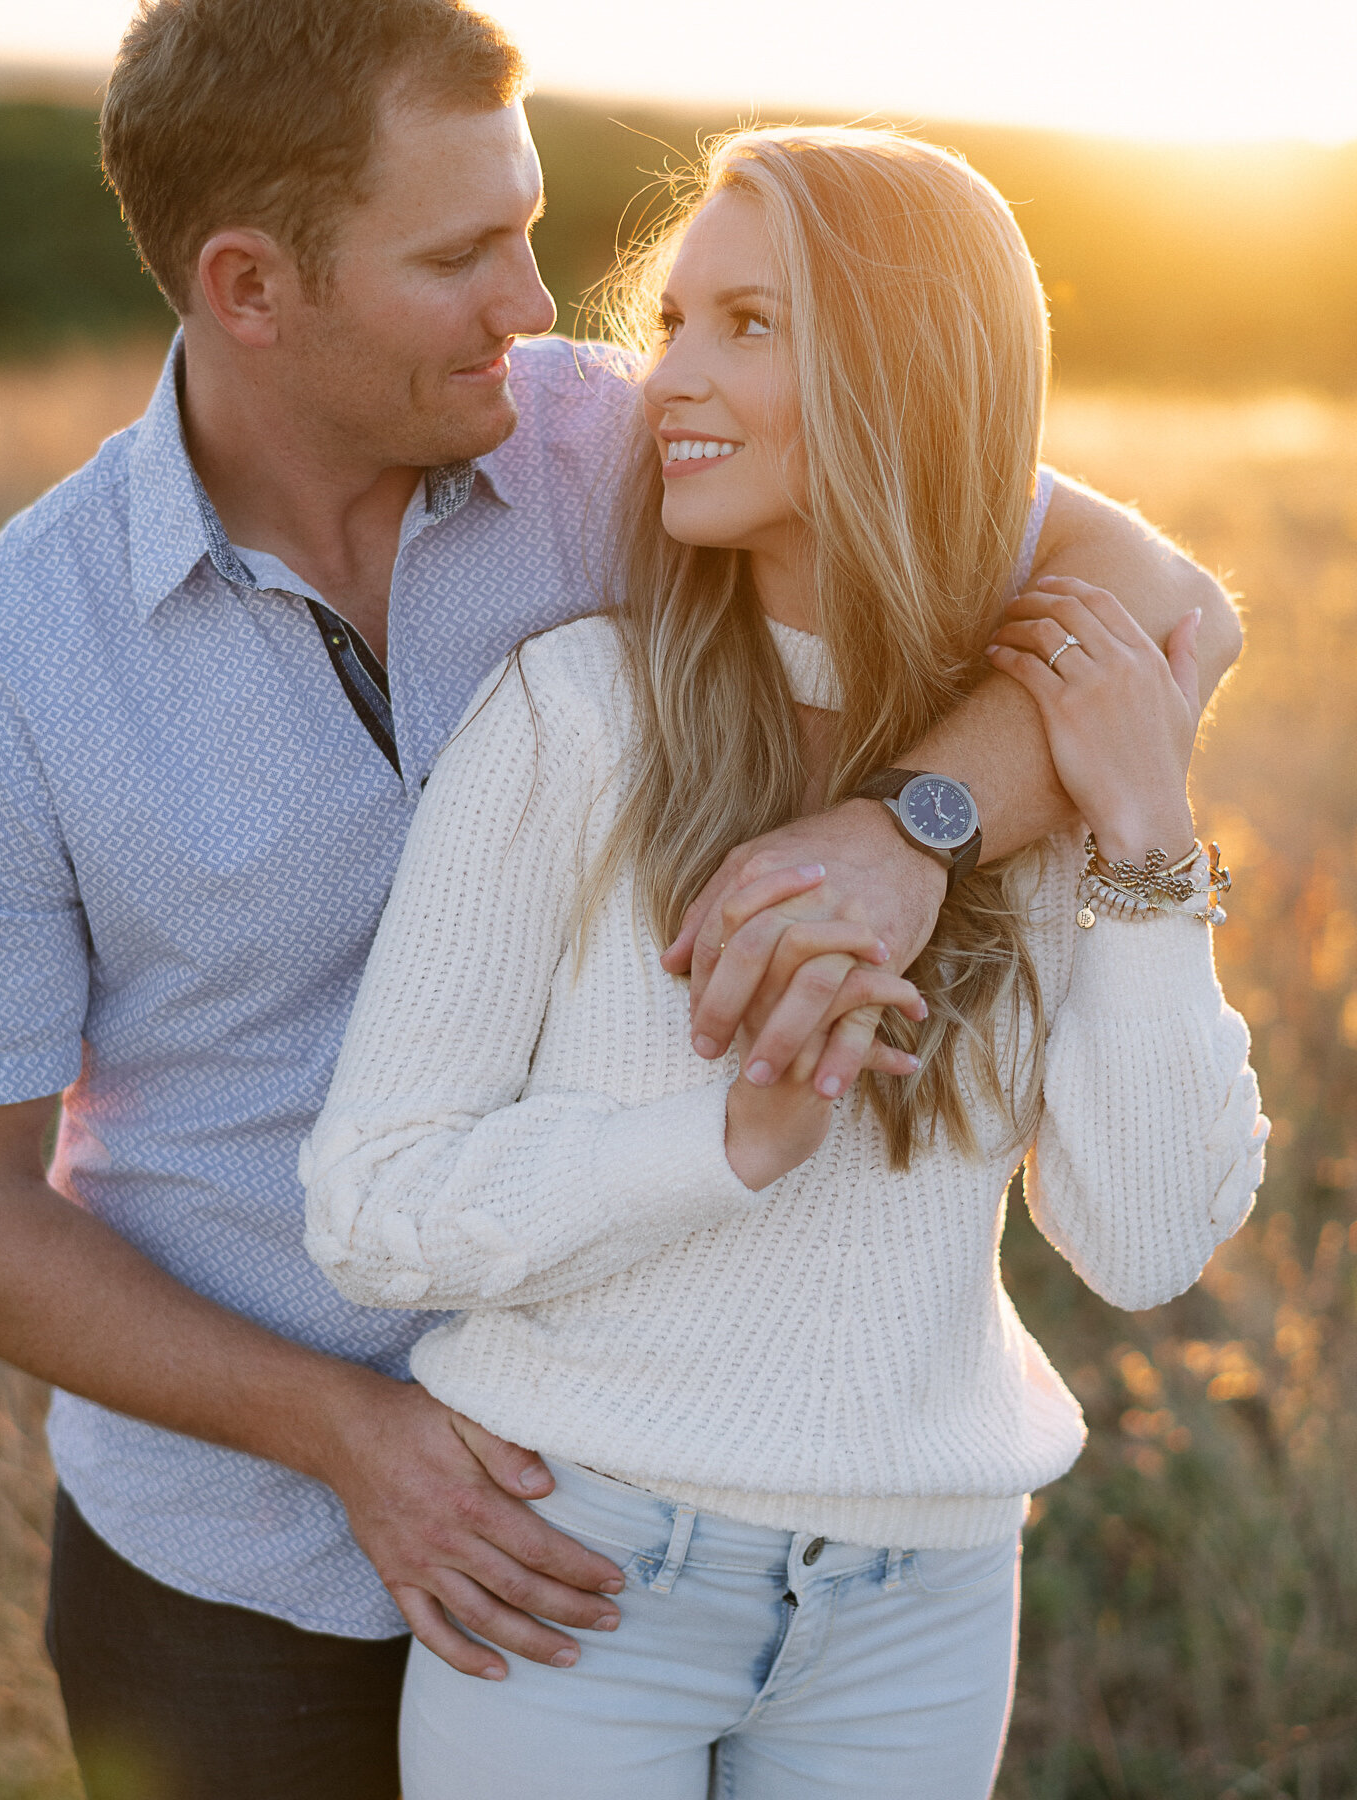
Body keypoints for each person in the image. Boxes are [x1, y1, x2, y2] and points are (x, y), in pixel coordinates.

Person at [0, 0, 1240, 1794]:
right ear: (251, 287)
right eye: (462, 253)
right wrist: (351, 1434)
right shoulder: (24, 661)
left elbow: (1150, 594)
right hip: (239, 1560)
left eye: (527, 219)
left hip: (680, 1517)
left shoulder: (621, 443)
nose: (536, 301)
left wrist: (912, 829)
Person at [302, 125, 1267, 1799]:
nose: (666, 377)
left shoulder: (1037, 758)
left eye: (749, 325)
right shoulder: (576, 720)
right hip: (575, 1583)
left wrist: (1149, 853)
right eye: (675, 321)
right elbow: (369, 1205)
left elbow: (1148, 1243)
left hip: (925, 1603)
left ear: (910, 372)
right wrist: (721, 1145)